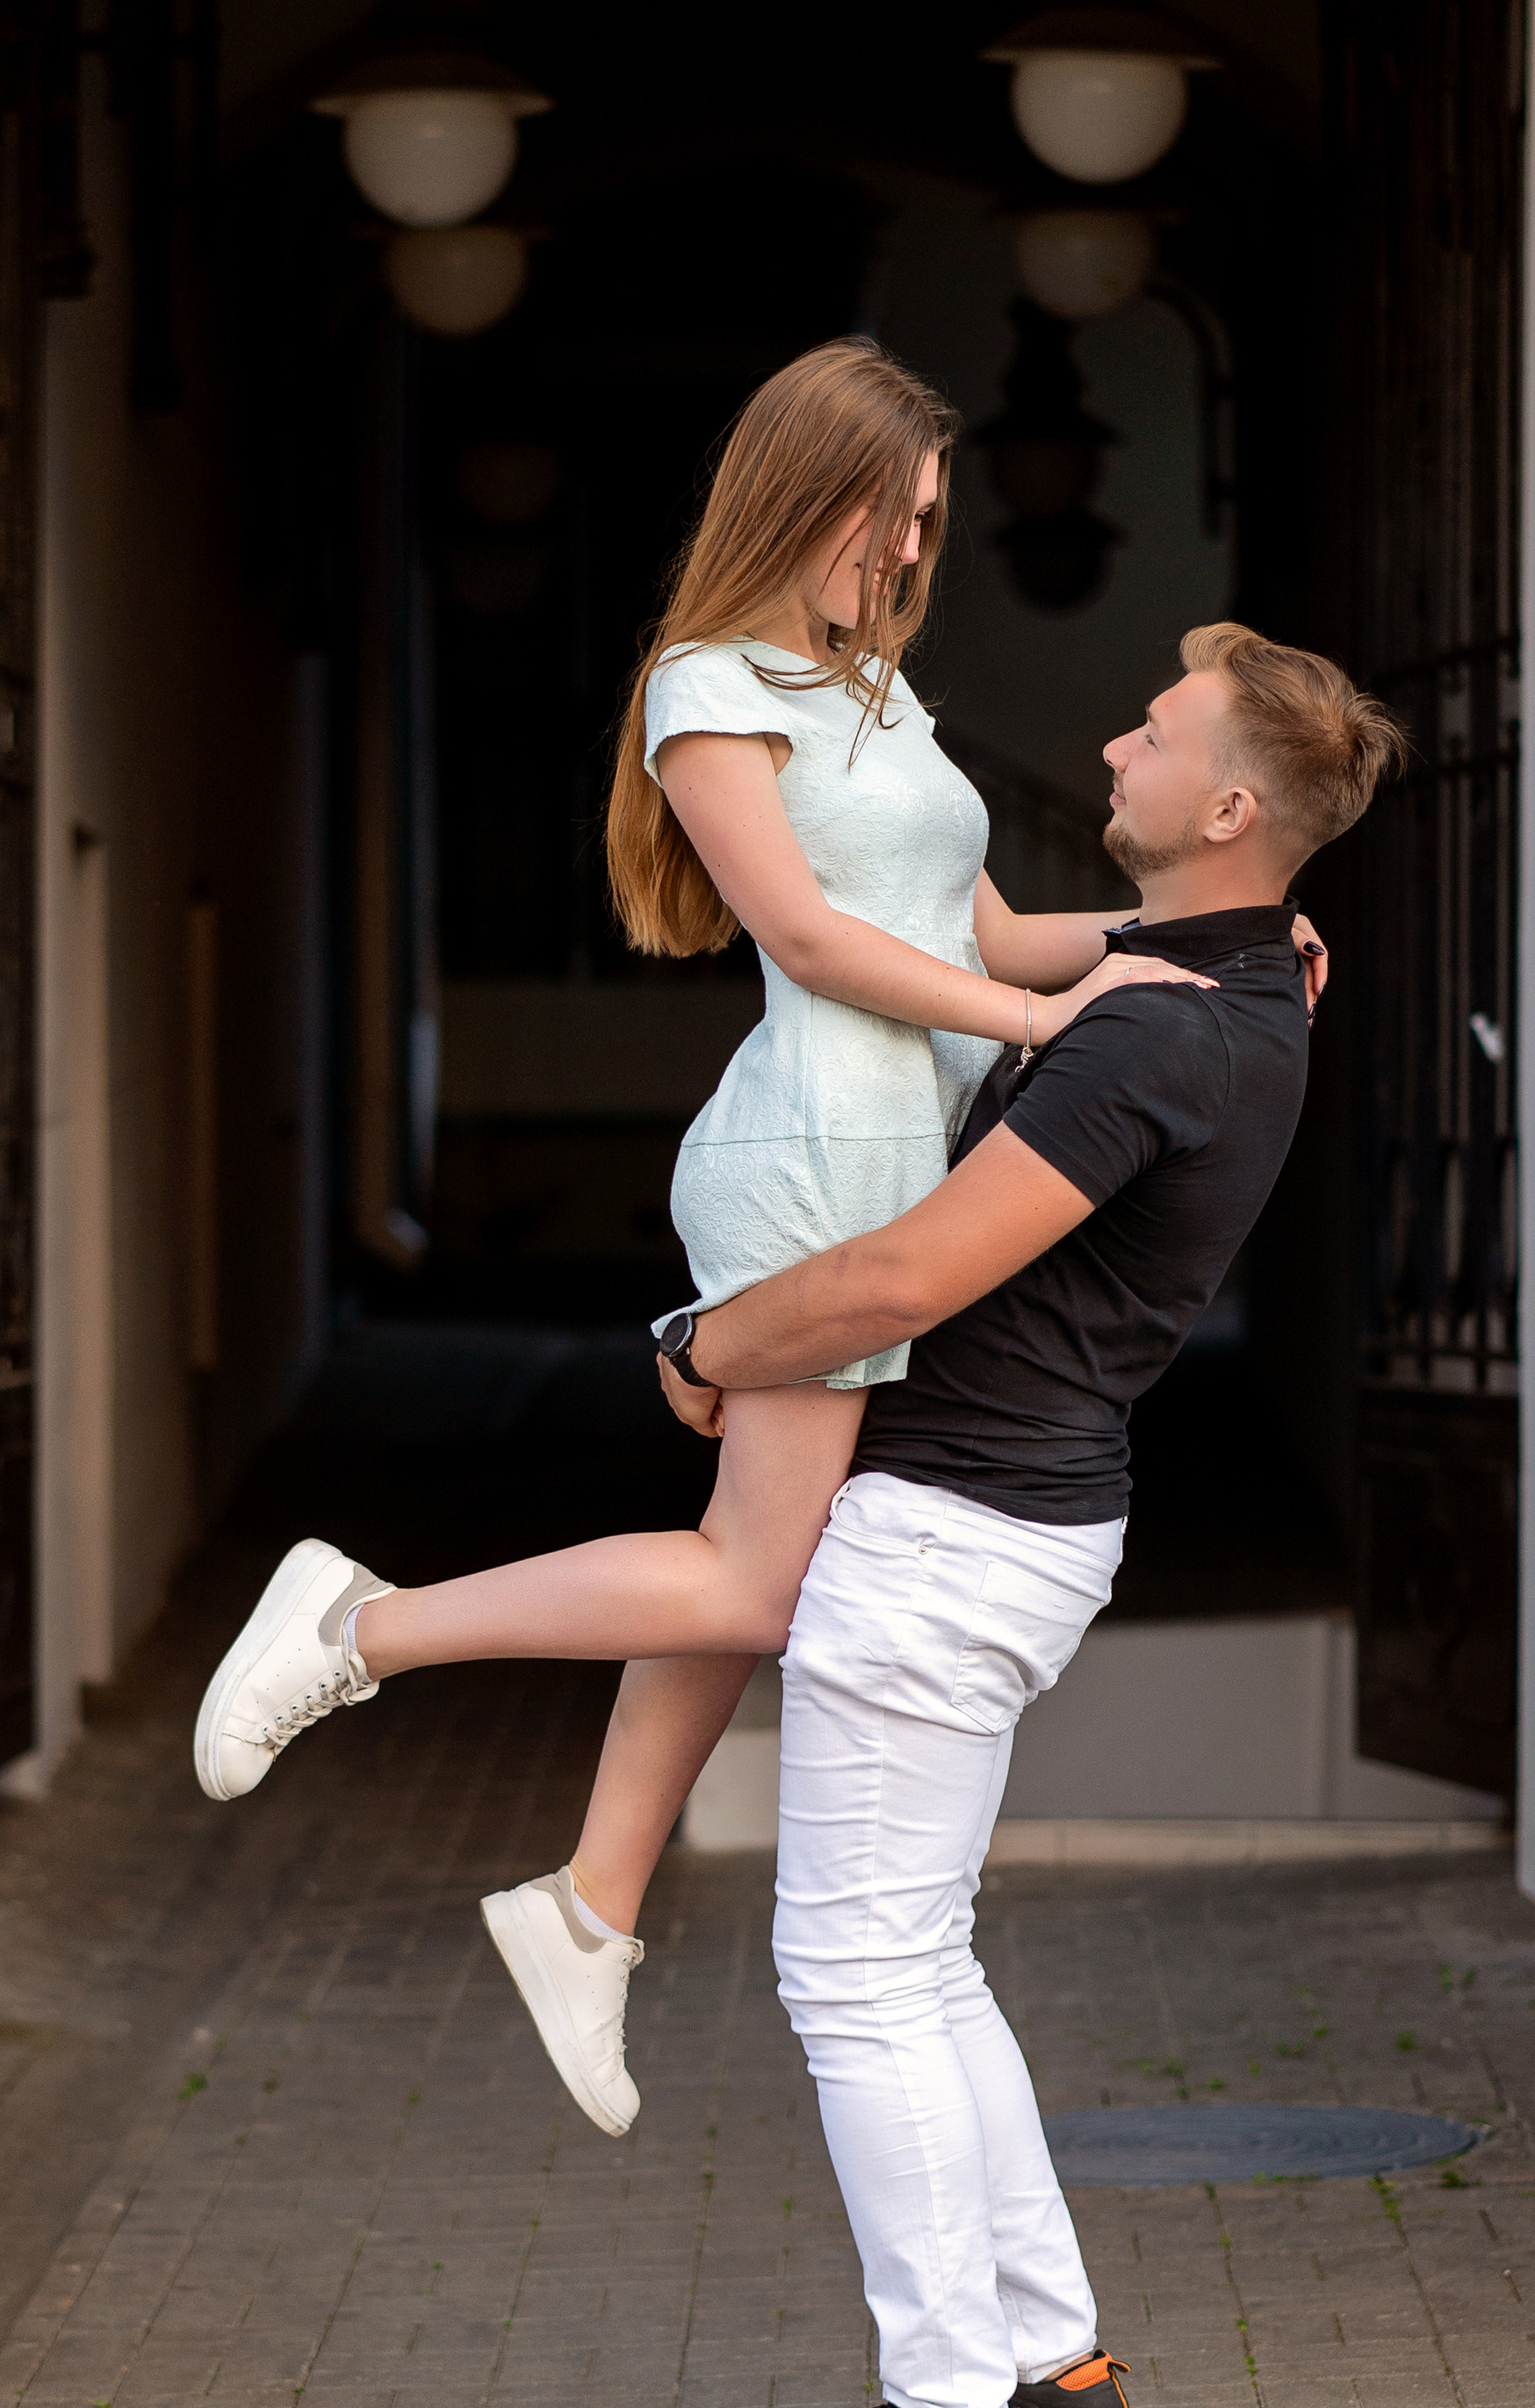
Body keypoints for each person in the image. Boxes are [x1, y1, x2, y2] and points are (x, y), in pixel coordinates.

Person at [193, 343, 1316, 2132]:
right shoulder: (707, 688)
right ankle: (364, 1625)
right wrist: (1055, 1030)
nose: (914, 553)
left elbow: (1003, 928)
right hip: (811, 1149)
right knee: (764, 1581)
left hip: (899, 1149)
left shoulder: (880, 698)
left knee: (748, 1560)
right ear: (815, 493)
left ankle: (591, 1905)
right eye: (900, 517)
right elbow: (799, 938)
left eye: (935, 522)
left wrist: (1197, 940)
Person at [638, 620, 1404, 2408]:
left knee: (852, 1972)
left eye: (1151, 735)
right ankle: (1052, 2378)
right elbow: (1008, 957)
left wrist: (702, 1341)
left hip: (946, 1532)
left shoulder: (1155, 1030)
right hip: (1019, 1524)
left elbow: (905, 1280)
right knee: (920, 1957)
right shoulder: (1237, 992)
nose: (1112, 746)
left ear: (1227, 804)